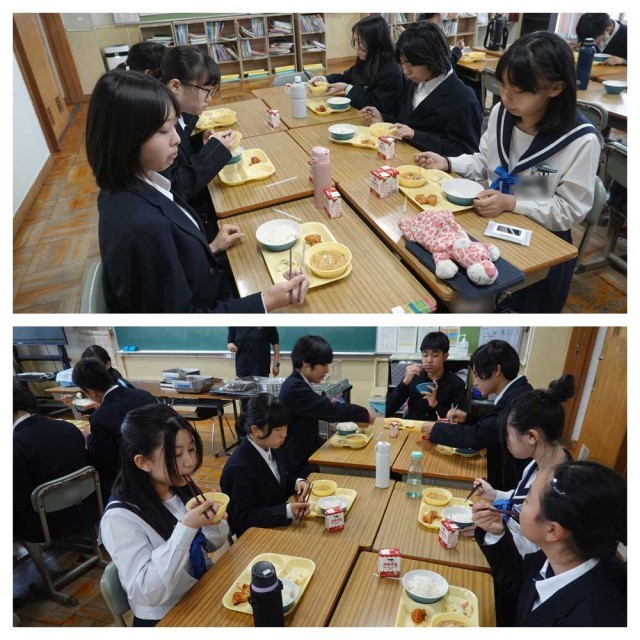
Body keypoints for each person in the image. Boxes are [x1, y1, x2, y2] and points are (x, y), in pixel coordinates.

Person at [86, 69, 308, 313]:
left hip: (208, 278)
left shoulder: (134, 183)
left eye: (175, 126)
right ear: (125, 138)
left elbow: (170, 265)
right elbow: (183, 323)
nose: (176, 139)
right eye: (164, 131)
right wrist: (267, 302)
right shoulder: (139, 228)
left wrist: (209, 247)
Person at [414, 31, 601, 312]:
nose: (505, 96)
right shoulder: (503, 113)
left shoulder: (580, 140)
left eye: (520, 89)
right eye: (502, 84)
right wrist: (448, 162)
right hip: (491, 224)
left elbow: (569, 210)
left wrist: (512, 202)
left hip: (542, 241)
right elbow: (484, 162)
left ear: (556, 88)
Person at [100, 404, 229, 626]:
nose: (189, 462)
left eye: (191, 449)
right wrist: (186, 529)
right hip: (166, 615)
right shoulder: (119, 518)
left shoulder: (178, 486)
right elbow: (146, 591)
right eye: (176, 454)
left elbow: (209, 545)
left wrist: (213, 523)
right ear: (143, 462)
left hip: (201, 591)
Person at [473, 461, 626, 626]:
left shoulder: (591, 619)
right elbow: (521, 583)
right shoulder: (562, 555)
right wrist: (496, 533)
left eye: (527, 500)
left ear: (552, 530)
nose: (520, 506)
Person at [423, 340, 533, 490]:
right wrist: (467, 418)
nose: (475, 383)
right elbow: (493, 424)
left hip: (511, 481)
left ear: (496, 370)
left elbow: (476, 436)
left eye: (477, 375)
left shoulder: (514, 400)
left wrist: (436, 428)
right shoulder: (518, 390)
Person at [361, 21, 481, 155]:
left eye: (411, 64)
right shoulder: (414, 82)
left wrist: (415, 135)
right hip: (402, 156)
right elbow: (407, 123)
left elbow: (466, 152)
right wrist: (383, 120)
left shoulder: (463, 98)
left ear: (433, 58)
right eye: (402, 63)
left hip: (430, 166)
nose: (405, 71)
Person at [158, 45, 237, 242]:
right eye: (206, 91)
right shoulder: (159, 122)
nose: (209, 99)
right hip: (193, 221)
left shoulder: (172, 112)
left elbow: (180, 154)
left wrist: (199, 142)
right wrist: (215, 153)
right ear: (175, 86)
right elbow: (175, 186)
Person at [278, 336, 375, 477]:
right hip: (297, 465)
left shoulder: (298, 383)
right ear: (306, 362)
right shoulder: (295, 388)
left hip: (307, 454)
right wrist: (363, 414)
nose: (327, 370)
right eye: (323, 365)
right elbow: (330, 409)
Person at [220, 393, 311, 538]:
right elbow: (243, 520)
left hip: (280, 527)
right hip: (258, 537)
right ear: (256, 430)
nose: (284, 434)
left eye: (285, 427)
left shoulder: (272, 446)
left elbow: (277, 482)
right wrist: (287, 511)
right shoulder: (238, 468)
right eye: (278, 430)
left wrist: (297, 483)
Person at [13, 385, 95, 543]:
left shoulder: (15, 445)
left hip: (46, 524)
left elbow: (17, 497)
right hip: (86, 508)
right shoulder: (67, 427)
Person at [72, 358, 158, 501]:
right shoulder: (144, 395)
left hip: (130, 480)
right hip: (160, 465)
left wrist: (89, 437)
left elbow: (102, 458)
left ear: (91, 392)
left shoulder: (100, 417)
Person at [309, 16, 403, 114]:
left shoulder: (391, 72)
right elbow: (346, 77)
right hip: (359, 113)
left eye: (360, 42)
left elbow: (375, 105)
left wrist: (346, 88)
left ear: (375, 42)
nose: (356, 47)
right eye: (355, 41)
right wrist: (323, 80)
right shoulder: (368, 58)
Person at [385, 331, 466, 422]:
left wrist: (436, 404)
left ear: (445, 356)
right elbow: (388, 409)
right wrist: (404, 383)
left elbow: (457, 420)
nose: (429, 360)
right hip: (412, 426)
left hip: (438, 428)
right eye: (425, 355)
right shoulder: (414, 377)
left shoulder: (456, 384)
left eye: (435, 355)